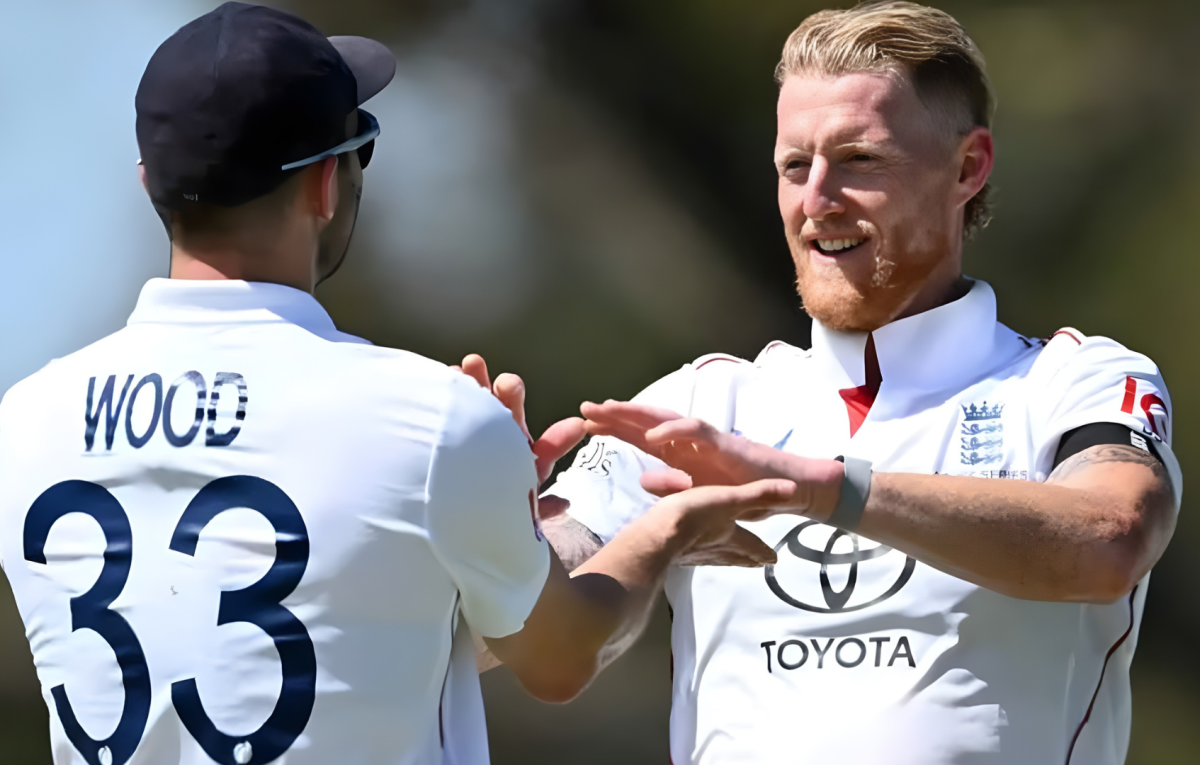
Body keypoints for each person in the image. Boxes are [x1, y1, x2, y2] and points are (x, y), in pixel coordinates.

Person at [0, 4, 801, 765]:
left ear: (151, 185)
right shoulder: (428, 418)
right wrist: (664, 527)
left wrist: (486, 518)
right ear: (325, 184)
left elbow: (286, 628)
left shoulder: (22, 424)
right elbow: (560, 657)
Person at [476, 2, 1182, 763]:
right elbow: (508, 639)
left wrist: (823, 487)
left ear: (968, 167)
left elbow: (1112, 538)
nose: (815, 200)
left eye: (861, 160)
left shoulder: (1073, 379)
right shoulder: (698, 403)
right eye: (793, 165)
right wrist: (481, 514)